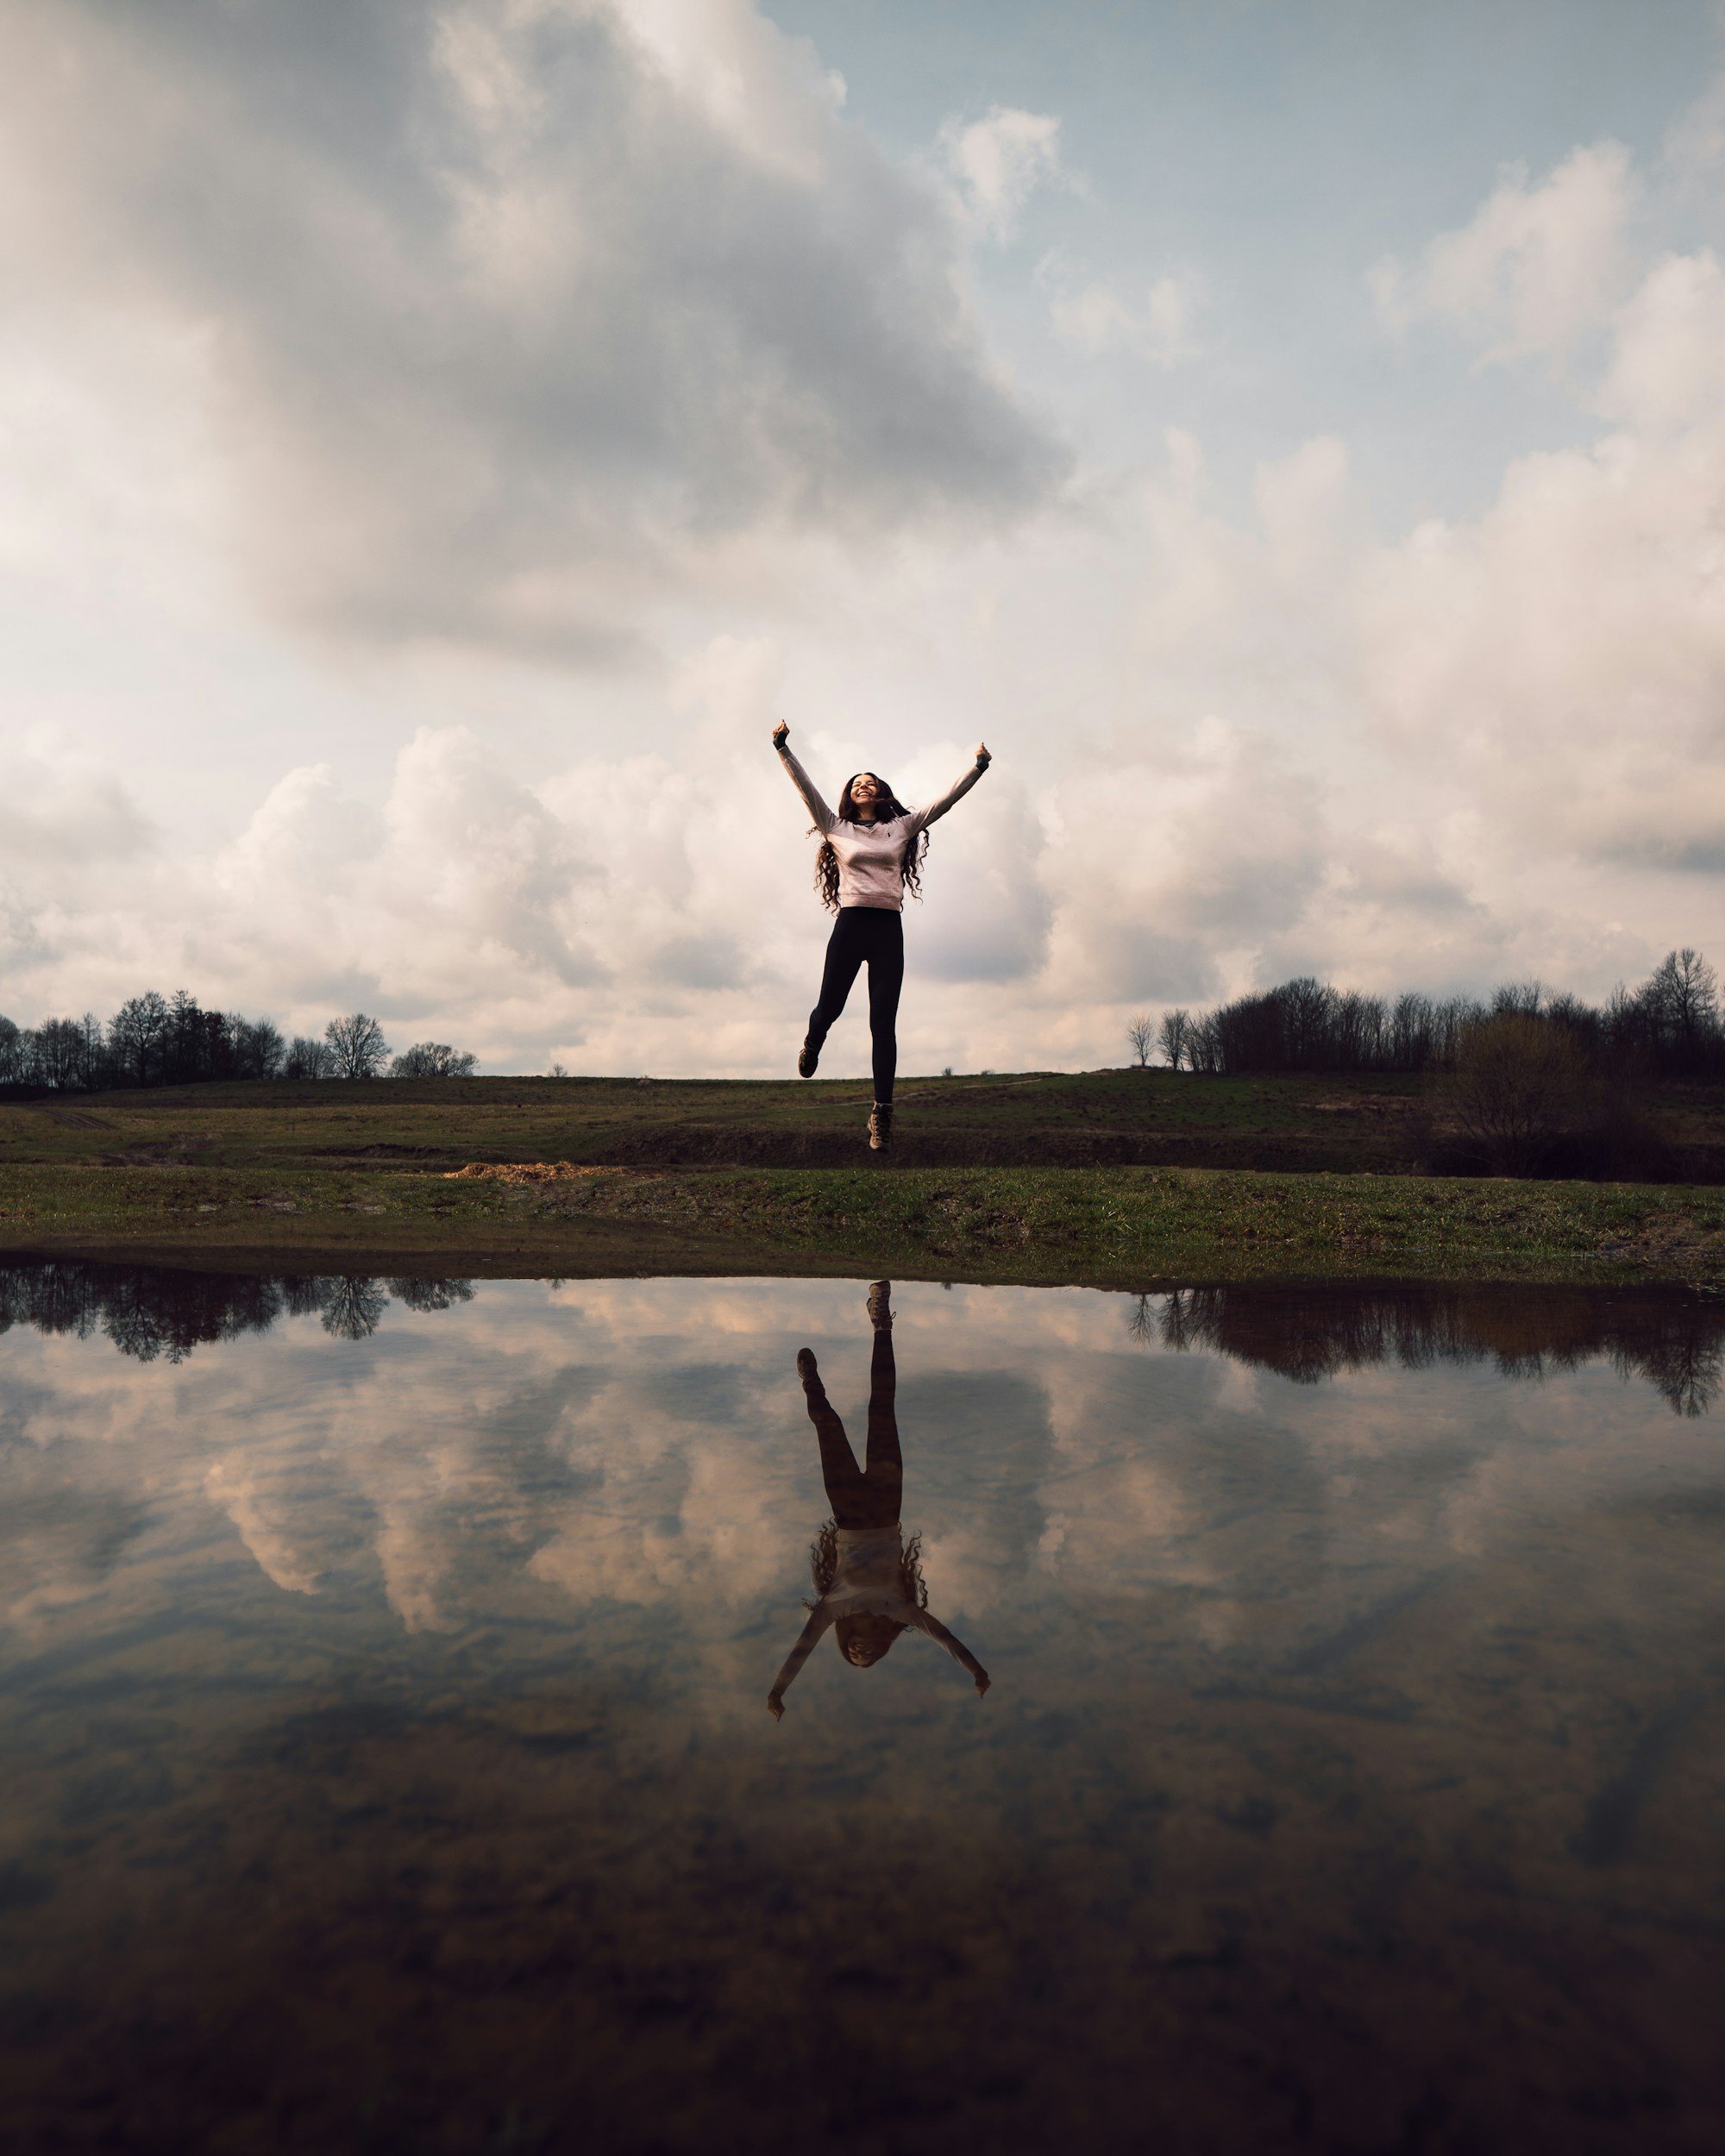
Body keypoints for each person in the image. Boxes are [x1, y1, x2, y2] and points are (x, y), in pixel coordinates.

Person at [768, 1281, 989, 1718]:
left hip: (849, 1512)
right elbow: (946, 1638)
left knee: (826, 1425)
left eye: (853, 1656)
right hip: (888, 1505)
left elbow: (800, 1651)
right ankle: (880, 1321)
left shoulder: (833, 1610)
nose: (860, 1653)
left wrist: (777, 1692)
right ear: (882, 1646)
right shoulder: (900, 1611)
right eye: (868, 1657)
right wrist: (976, 1672)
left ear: (846, 1642)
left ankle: (811, 1384)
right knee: (882, 1407)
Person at [772, 720, 990, 1151]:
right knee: (829, 1007)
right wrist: (782, 748)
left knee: (883, 1023)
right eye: (857, 783)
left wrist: (978, 768)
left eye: (870, 782)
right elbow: (805, 788)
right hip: (851, 926)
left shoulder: (902, 828)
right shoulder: (835, 826)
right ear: (850, 795)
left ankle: (882, 1115)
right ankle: (813, 1042)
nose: (864, 785)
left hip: (888, 930)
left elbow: (944, 803)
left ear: (881, 792)